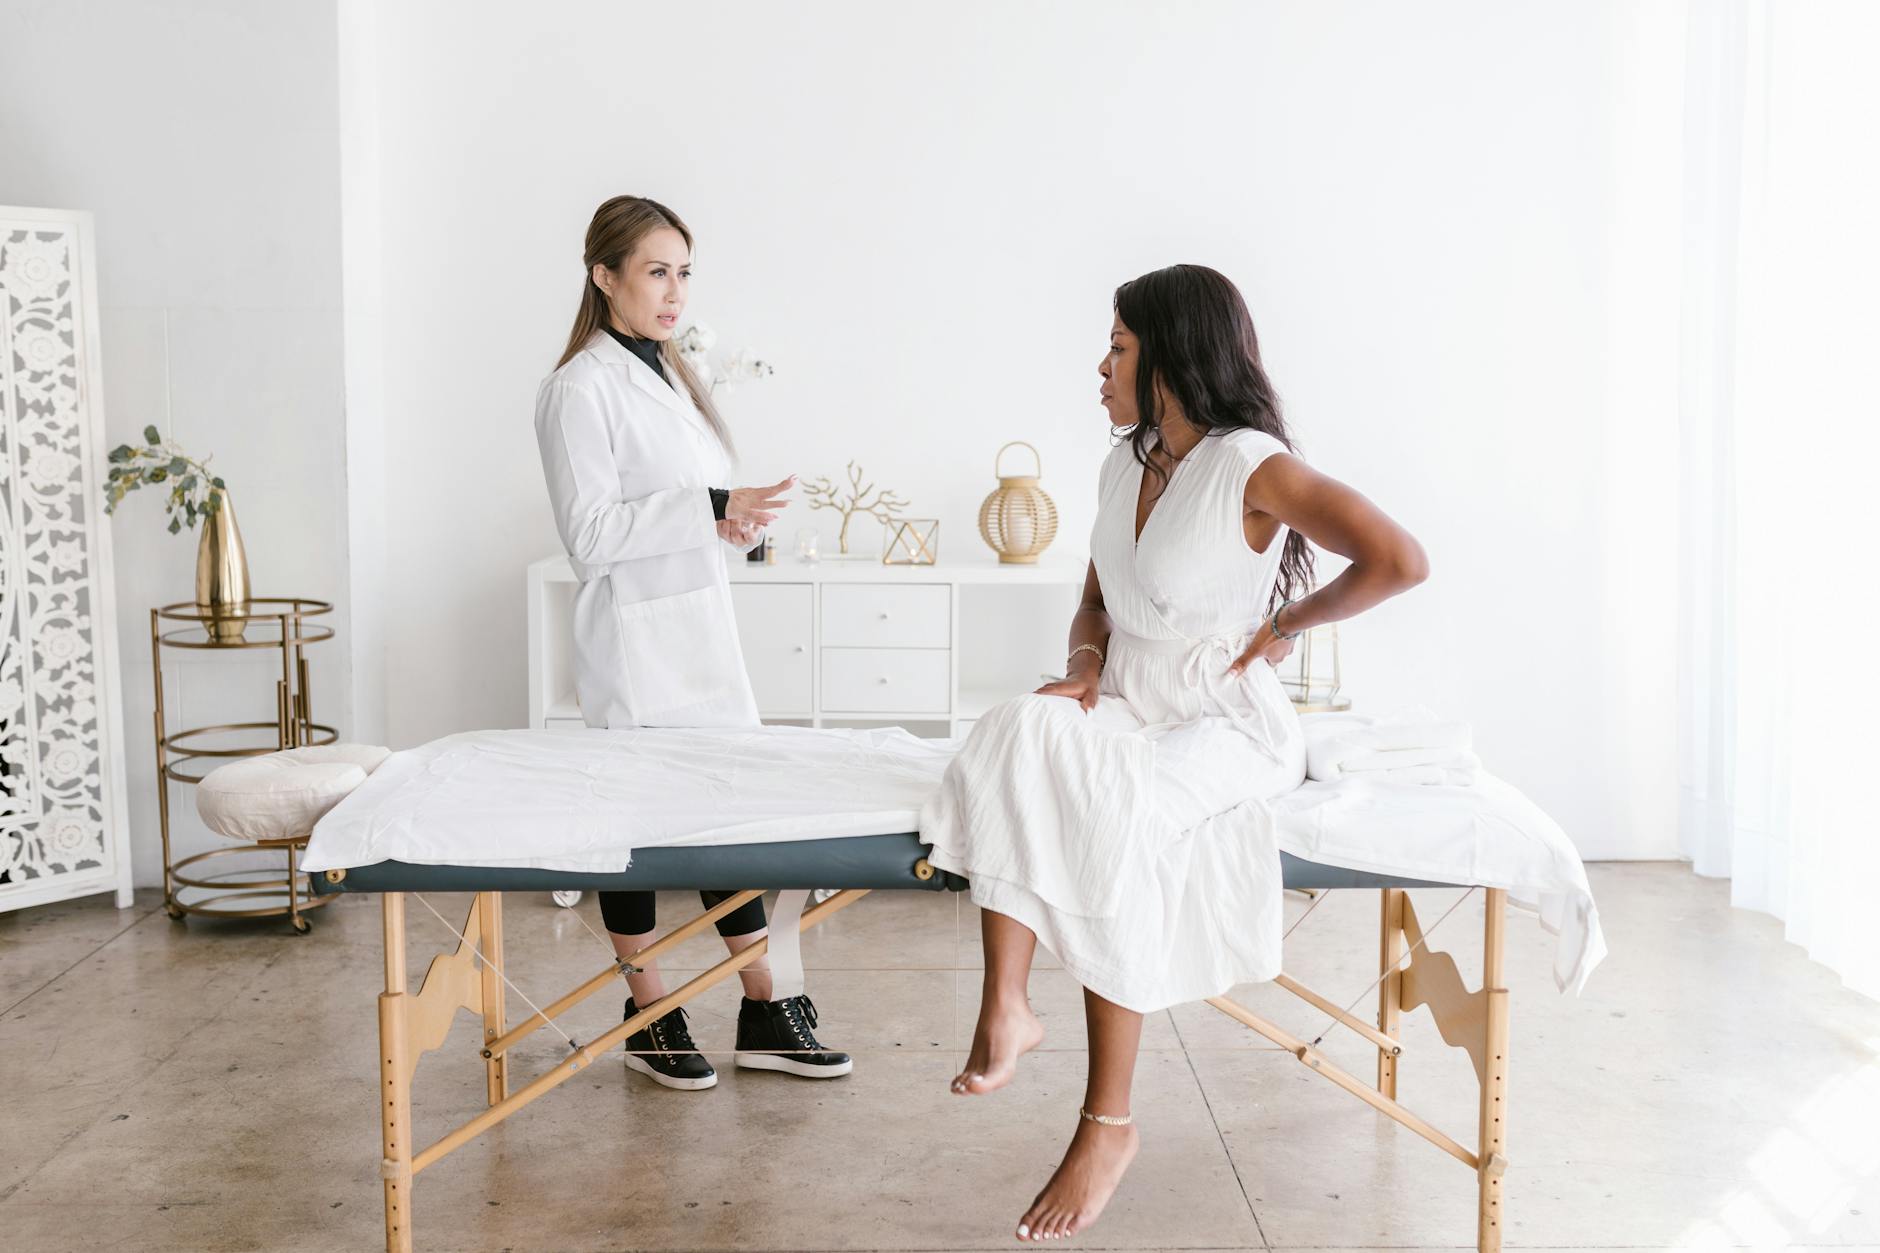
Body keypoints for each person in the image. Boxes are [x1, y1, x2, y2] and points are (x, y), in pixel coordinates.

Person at [921, 264, 1430, 1241]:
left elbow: (1397, 558)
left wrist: (1285, 623)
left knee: (1112, 804)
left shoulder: (1251, 465)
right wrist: (1078, 665)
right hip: (1122, 698)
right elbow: (1096, 598)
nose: (1100, 366)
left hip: (1220, 720)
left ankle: (1105, 1122)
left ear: (1166, 357)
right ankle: (1008, 1005)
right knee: (1014, 729)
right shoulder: (1125, 463)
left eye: (1116, 346)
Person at [534, 194, 850, 1090]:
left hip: (700, 631)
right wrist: (713, 508)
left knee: (729, 811)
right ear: (604, 277)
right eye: (655, 272)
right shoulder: (577, 389)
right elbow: (590, 534)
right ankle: (651, 1009)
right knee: (636, 827)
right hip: (636, 645)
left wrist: (736, 522)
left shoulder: (673, 376)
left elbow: (687, 506)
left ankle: (762, 1004)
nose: (674, 293)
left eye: (683, 274)